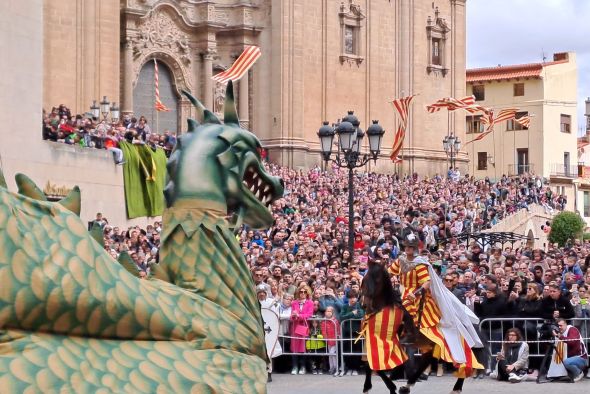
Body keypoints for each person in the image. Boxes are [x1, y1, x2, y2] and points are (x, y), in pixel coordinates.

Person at [390, 231, 483, 394]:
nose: (409, 250)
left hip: (419, 299)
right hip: (404, 296)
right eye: (407, 247)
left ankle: (438, 339)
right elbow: (389, 272)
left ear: (415, 248)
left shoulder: (420, 264)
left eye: (411, 247)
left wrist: (416, 292)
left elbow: (426, 283)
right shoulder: (400, 261)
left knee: (438, 335)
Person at [553, 318, 588, 382]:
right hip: (572, 358)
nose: (560, 327)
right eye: (558, 326)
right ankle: (569, 374)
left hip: (581, 358)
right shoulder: (561, 333)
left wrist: (560, 336)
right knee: (560, 361)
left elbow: (572, 341)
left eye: (561, 325)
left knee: (566, 362)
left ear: (566, 324)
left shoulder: (572, 329)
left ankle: (579, 373)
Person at [290, 285, 314, 375]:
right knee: (294, 347)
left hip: (304, 326)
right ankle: (294, 366)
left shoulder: (310, 303)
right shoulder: (294, 303)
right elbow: (291, 315)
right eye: (301, 292)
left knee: (303, 347)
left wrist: (299, 315)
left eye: (304, 292)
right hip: (295, 326)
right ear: (298, 293)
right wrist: (294, 315)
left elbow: (309, 314)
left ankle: (303, 366)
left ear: (307, 293)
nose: (302, 294)